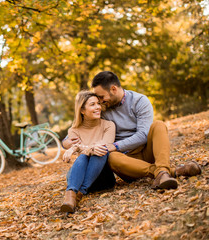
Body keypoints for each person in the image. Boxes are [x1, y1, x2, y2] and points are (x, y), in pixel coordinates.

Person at [63, 71, 201, 190]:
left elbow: (143, 135)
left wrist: (114, 145)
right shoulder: (102, 108)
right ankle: (166, 172)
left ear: (113, 89)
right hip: (126, 162)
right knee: (110, 156)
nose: (99, 102)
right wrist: (66, 141)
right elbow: (80, 123)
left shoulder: (140, 101)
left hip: (147, 151)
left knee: (158, 125)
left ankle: (163, 172)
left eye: (101, 97)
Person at [60, 91, 116, 213]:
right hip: (80, 175)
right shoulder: (73, 130)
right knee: (84, 156)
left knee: (100, 151)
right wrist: (88, 149)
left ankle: (78, 192)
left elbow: (104, 146)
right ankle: (70, 196)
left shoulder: (108, 125)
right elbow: (85, 150)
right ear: (82, 110)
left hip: (103, 176)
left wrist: (76, 148)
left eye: (98, 103)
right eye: (92, 104)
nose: (98, 107)